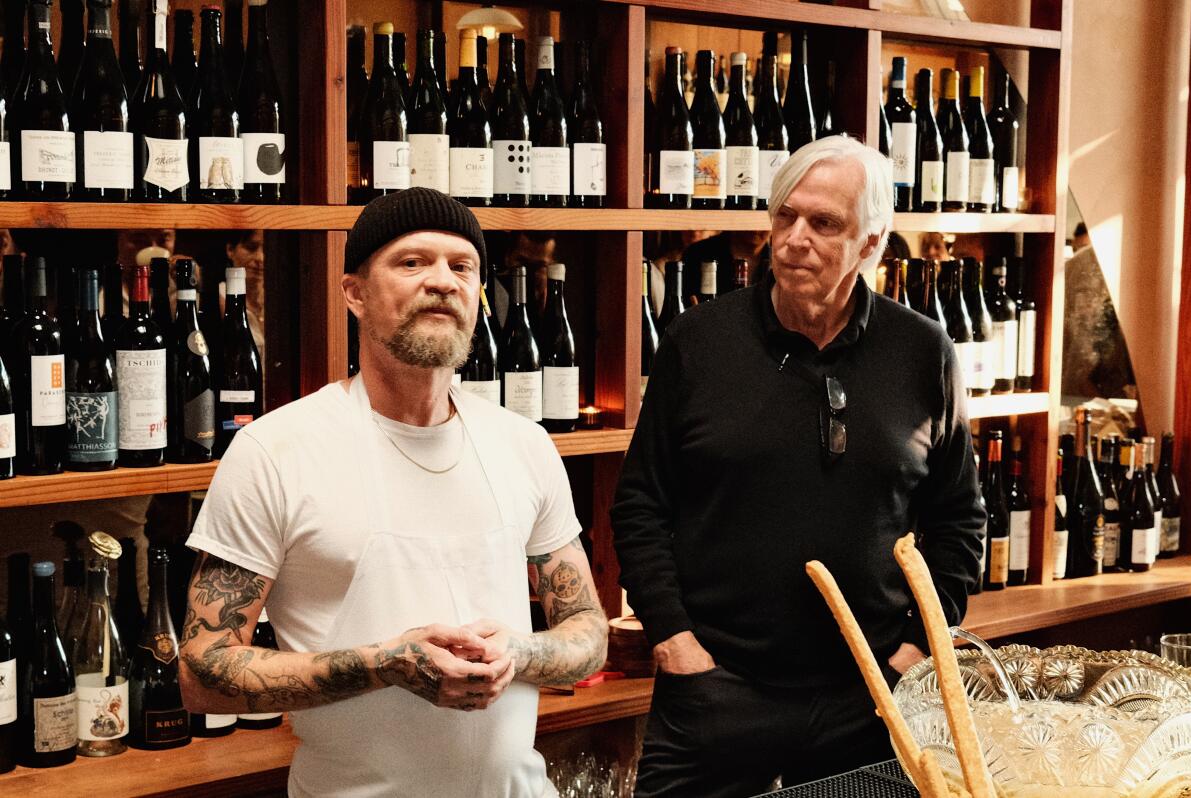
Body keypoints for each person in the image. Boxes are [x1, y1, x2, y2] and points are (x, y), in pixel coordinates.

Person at [180, 188, 608, 797]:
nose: (442, 281)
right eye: (412, 262)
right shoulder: (277, 451)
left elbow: (587, 632)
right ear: (354, 293)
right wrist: (384, 665)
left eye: (462, 266)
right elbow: (203, 672)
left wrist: (519, 652)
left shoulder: (525, 444)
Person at [611, 136, 986, 796]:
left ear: (871, 243)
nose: (792, 239)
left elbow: (959, 520)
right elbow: (640, 503)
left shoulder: (922, 352)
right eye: (784, 215)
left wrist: (913, 653)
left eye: (823, 223)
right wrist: (673, 639)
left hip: (871, 697)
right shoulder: (699, 343)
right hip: (715, 687)